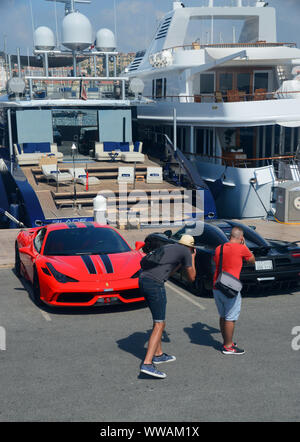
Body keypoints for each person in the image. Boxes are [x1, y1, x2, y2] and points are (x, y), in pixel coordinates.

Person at [139, 235, 196, 378]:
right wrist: (192, 257)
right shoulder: (186, 252)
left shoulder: (171, 247)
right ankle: (147, 363)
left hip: (143, 280)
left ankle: (158, 354)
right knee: (160, 324)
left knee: (158, 321)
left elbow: (168, 273)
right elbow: (192, 277)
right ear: (191, 247)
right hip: (154, 284)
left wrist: (179, 265)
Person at [213, 226, 255, 355]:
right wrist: (245, 246)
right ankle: (228, 346)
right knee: (231, 317)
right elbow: (252, 260)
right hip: (230, 287)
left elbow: (217, 262)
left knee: (223, 315)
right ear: (241, 238)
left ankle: (226, 340)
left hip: (217, 285)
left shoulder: (219, 248)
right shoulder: (241, 248)